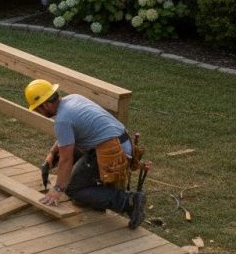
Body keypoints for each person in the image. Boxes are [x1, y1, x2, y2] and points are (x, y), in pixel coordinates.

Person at [24, 78, 146, 229]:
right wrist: (51, 154)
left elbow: (66, 159)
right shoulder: (73, 98)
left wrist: (57, 189)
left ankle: (128, 201)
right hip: (120, 141)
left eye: (37, 108)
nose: (38, 112)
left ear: (46, 104)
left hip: (111, 152)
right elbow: (66, 141)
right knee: (74, 177)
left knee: (72, 189)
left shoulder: (63, 120)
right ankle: (93, 196)